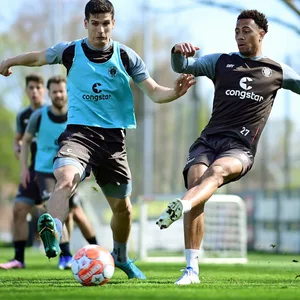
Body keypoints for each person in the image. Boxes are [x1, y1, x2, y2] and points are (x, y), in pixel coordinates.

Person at [0, 0, 195, 279]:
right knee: (66, 179)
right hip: (79, 134)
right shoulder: (70, 51)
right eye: (95, 23)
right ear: (86, 23)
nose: (101, 30)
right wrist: (9, 61)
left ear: (113, 24)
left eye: (106, 24)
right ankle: (53, 229)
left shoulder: (126, 56)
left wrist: (175, 92)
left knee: (123, 210)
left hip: (114, 142)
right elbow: (38, 57)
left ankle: (122, 257)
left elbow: (153, 91)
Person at [156, 9, 300, 285]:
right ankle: (191, 271)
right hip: (208, 140)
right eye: (236, 31)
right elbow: (181, 66)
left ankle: (181, 206)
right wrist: (177, 51)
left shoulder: (278, 72)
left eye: (246, 31)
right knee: (196, 181)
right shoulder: (221, 62)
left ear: (262, 34)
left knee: (217, 172)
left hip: (240, 148)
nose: (240, 36)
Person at [20, 75, 99, 270]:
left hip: (69, 167)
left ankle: (93, 249)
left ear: (67, 93)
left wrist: (87, 166)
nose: (58, 94)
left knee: (73, 212)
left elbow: (86, 141)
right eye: (54, 91)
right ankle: (65, 254)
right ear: (49, 93)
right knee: (52, 207)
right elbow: (26, 140)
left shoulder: (76, 115)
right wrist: (24, 168)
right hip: (45, 171)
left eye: (61, 91)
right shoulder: (39, 116)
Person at [0, 74, 45, 270]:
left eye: (38, 87)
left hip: (55, 172)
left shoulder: (54, 112)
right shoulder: (23, 115)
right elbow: (18, 139)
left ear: (44, 90)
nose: (34, 91)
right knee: (19, 208)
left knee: (71, 213)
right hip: (33, 171)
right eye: (31, 88)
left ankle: (67, 255)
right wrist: (17, 147)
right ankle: (19, 258)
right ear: (27, 91)